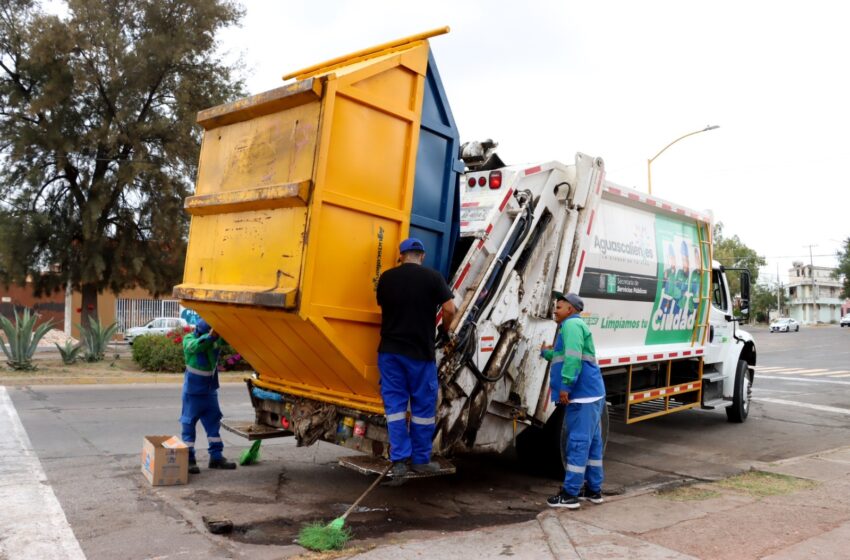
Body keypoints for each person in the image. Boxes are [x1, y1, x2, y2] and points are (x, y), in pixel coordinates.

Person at [376, 237, 457, 481]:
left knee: (395, 408)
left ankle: (399, 461)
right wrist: (444, 330)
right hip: (420, 354)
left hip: (390, 353)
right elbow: (450, 308)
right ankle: (421, 461)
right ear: (421, 255)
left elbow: (383, 306)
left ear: (401, 255)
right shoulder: (433, 277)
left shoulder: (386, 279)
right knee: (422, 409)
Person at [540, 292, 606, 509]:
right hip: (592, 394)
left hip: (582, 395)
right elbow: (563, 355)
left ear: (570, 309)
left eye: (559, 306)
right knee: (592, 445)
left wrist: (565, 386)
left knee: (577, 443)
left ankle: (570, 495)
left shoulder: (571, 326)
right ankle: (593, 490)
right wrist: (546, 353)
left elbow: (573, 357)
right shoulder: (573, 326)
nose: (555, 310)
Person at [180, 319, 236, 473]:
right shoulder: (189, 339)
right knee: (189, 424)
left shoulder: (215, 340)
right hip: (193, 392)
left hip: (210, 391)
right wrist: (210, 337)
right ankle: (189, 460)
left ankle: (216, 458)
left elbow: (232, 339)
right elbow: (196, 347)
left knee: (213, 425)